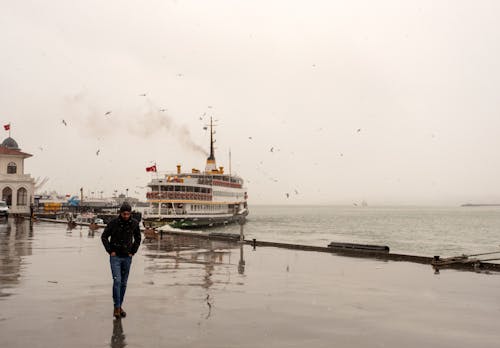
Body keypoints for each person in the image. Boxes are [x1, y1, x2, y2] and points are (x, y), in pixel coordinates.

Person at [101, 202, 141, 319]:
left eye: (128, 214)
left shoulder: (134, 223)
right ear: (120, 213)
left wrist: (133, 251)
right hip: (116, 257)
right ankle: (117, 307)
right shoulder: (113, 223)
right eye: (124, 214)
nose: (126, 216)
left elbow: (138, 238)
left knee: (123, 283)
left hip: (127, 257)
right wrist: (110, 251)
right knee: (117, 281)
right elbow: (104, 236)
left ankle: (118, 307)